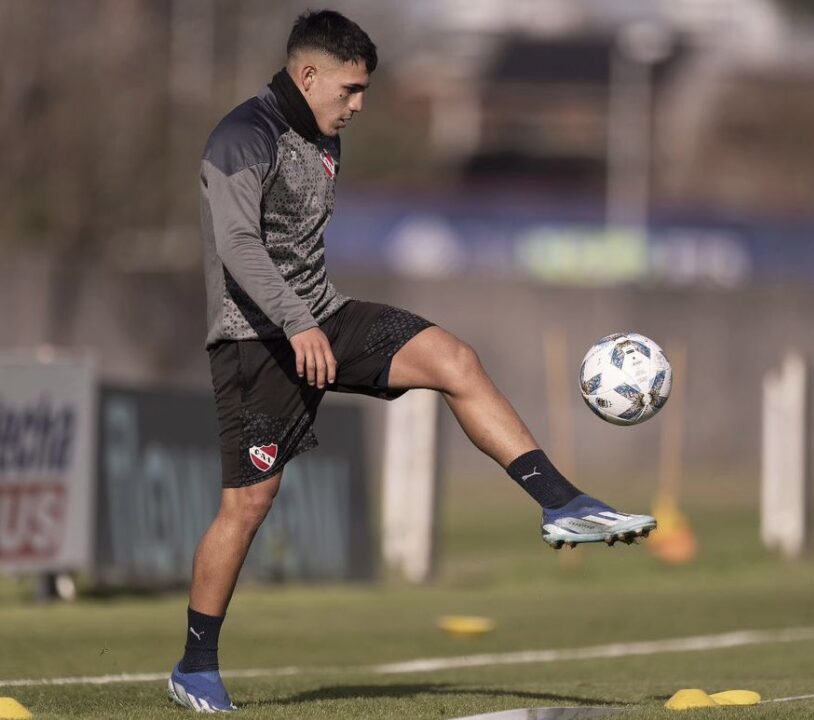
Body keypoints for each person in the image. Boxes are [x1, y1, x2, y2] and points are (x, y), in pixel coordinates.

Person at [167, 9, 656, 713]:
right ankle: (195, 666)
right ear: (307, 76)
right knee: (248, 505)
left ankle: (561, 504)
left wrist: (312, 319)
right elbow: (238, 247)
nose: (359, 104)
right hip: (255, 340)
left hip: (322, 317)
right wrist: (297, 324)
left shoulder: (323, 134)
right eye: (350, 89)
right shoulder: (242, 138)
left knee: (455, 358)